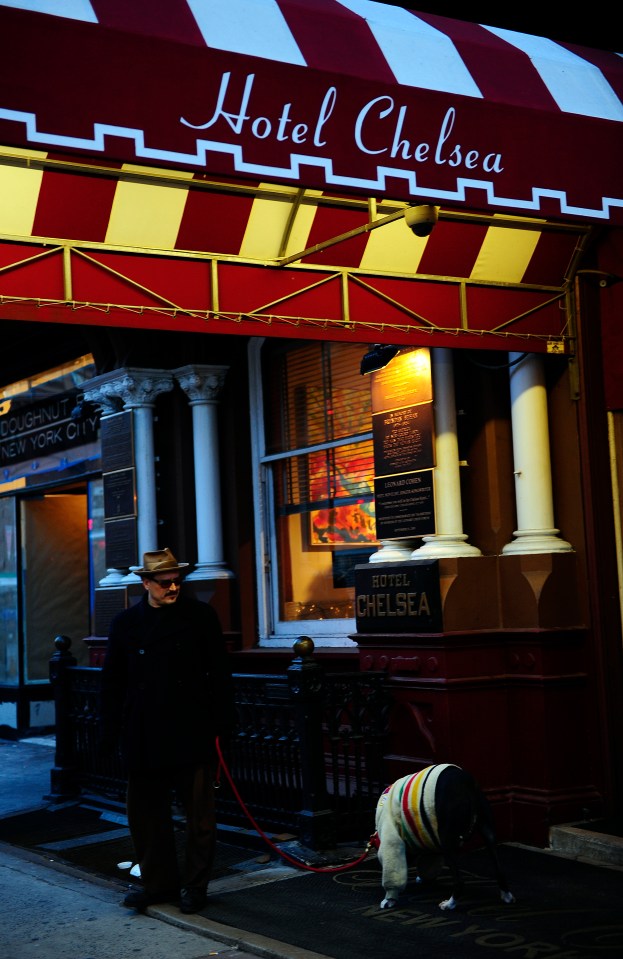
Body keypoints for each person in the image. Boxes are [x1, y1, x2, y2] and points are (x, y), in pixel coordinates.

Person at [99, 547, 235, 915]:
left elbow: (220, 676)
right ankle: (158, 884)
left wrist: (223, 727)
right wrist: (109, 733)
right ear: (146, 583)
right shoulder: (126, 623)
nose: (173, 587)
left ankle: (195, 887)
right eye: (164, 582)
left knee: (199, 818)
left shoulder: (200, 617)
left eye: (177, 581)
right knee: (145, 816)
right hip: (144, 732)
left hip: (191, 730)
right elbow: (113, 682)